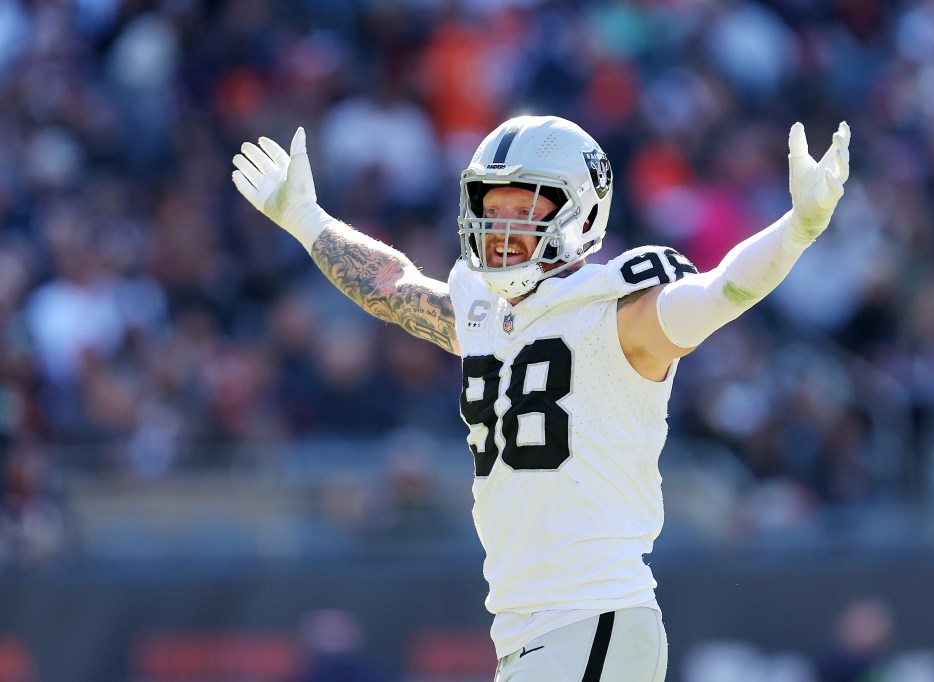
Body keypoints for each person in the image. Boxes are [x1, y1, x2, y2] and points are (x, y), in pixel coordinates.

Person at [232, 114, 850, 681]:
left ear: (580, 214)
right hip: (537, 631)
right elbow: (393, 288)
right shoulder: (483, 314)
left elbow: (720, 292)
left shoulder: (616, 312)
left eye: (522, 207)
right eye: (490, 205)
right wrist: (306, 218)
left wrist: (797, 228)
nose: (500, 226)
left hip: (592, 615)